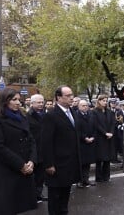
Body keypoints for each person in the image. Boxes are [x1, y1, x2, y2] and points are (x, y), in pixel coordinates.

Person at [0, 88, 37, 215]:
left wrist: (32, 160)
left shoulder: (23, 117)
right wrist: (21, 165)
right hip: (6, 172)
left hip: (24, 171)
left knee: (21, 208)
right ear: (5, 101)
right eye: (14, 100)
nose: (18, 103)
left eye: (19, 100)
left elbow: (31, 141)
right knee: (5, 208)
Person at [42, 85, 81, 215]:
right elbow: (46, 142)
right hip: (57, 164)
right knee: (55, 198)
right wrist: (49, 164)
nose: (72, 98)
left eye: (72, 95)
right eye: (68, 96)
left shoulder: (73, 113)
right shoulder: (51, 115)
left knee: (65, 197)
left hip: (70, 163)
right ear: (59, 97)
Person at [27, 94, 48, 203]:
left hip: (43, 148)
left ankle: (38, 194)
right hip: (33, 149)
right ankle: (31, 196)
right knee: (32, 174)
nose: (41, 104)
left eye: (42, 102)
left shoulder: (45, 115)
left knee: (41, 174)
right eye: (38, 102)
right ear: (32, 103)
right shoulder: (28, 116)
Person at [92, 94, 115, 182]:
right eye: (103, 101)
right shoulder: (94, 112)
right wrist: (105, 133)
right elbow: (96, 125)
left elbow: (113, 123)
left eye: (106, 101)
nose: (105, 102)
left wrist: (111, 133)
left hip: (109, 138)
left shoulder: (109, 112)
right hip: (100, 138)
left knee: (107, 158)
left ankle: (107, 176)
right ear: (99, 101)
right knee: (100, 159)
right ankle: (99, 177)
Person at [77, 99, 96, 188]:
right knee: (81, 163)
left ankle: (86, 179)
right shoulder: (76, 115)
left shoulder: (90, 115)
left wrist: (93, 137)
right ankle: (80, 181)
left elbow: (94, 127)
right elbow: (77, 130)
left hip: (90, 141)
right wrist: (84, 138)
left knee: (88, 163)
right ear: (79, 106)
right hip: (81, 143)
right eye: (83, 106)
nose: (85, 107)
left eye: (86, 105)